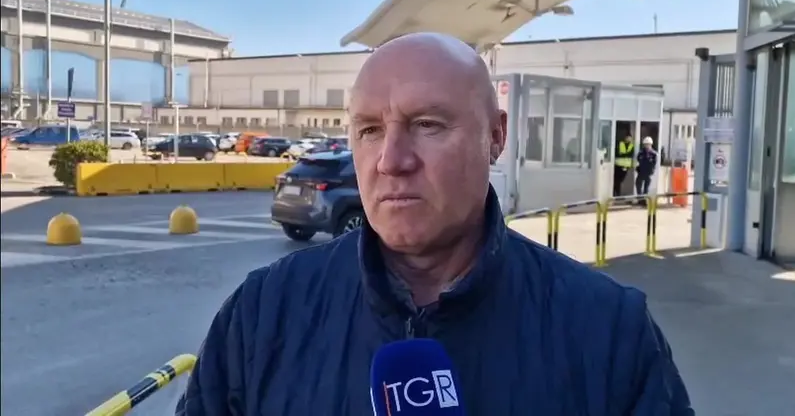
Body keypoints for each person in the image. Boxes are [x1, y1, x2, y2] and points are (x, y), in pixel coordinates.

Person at [176, 33, 693, 415]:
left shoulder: (609, 331)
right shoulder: (262, 314)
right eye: (370, 130)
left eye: (427, 125)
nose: (391, 160)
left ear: (496, 137)